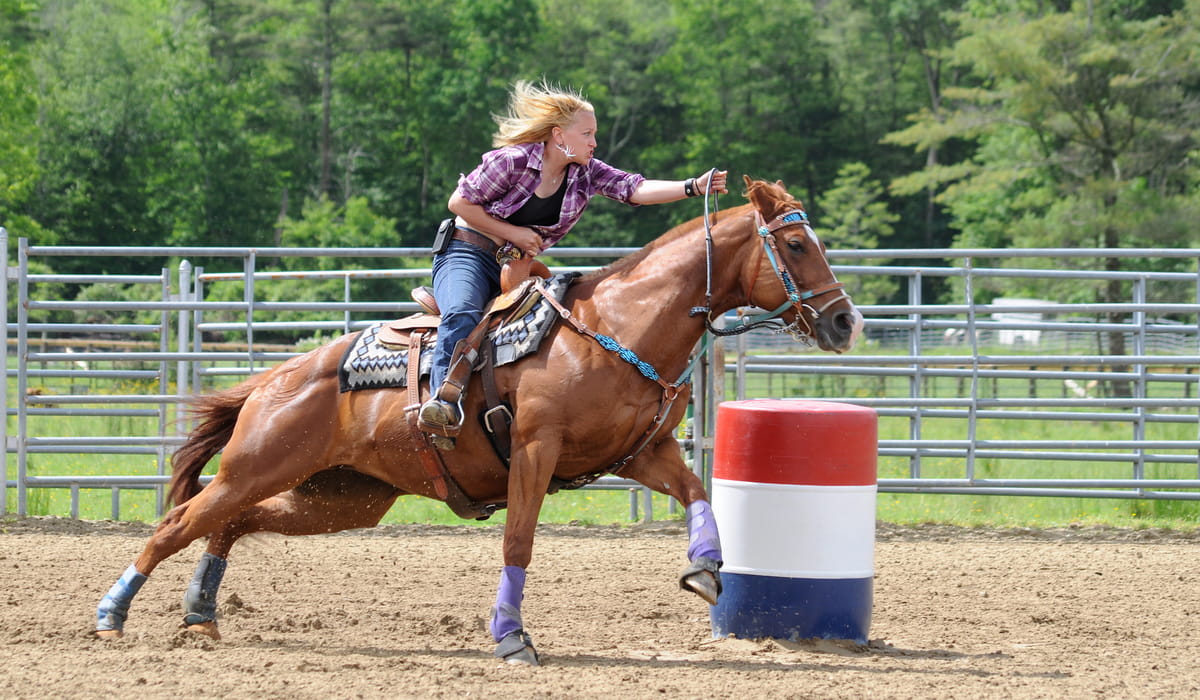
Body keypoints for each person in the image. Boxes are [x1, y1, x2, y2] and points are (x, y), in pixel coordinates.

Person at [419, 79, 728, 436]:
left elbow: (634, 189)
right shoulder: (512, 161)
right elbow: (459, 203)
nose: (594, 143)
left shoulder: (587, 172)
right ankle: (443, 399)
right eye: (587, 134)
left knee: (555, 330)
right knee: (463, 311)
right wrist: (514, 234)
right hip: (468, 252)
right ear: (558, 136)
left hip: (518, 266)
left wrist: (693, 186)